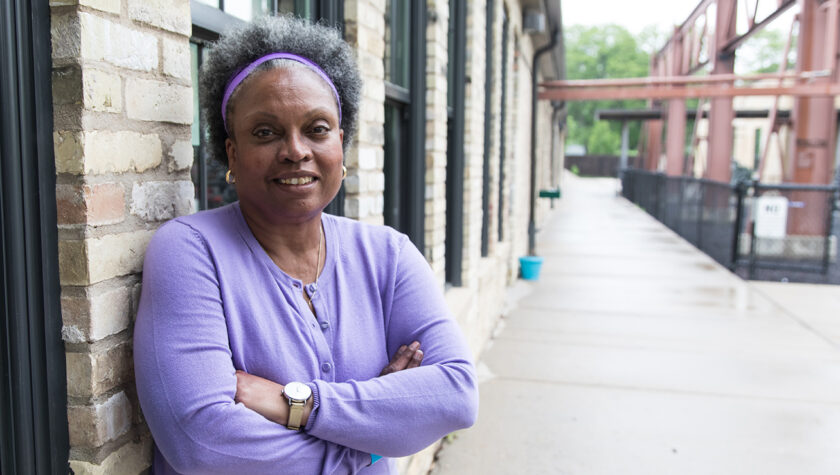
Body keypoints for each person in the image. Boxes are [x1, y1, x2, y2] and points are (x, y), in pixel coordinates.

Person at [133, 15, 478, 475]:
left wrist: (296, 404)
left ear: (342, 144)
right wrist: (372, 442)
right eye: (265, 132)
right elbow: (202, 441)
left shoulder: (387, 255)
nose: (295, 150)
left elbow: (455, 395)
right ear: (231, 153)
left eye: (316, 128)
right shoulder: (191, 251)